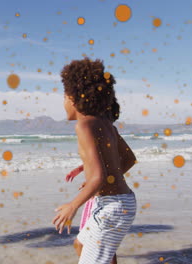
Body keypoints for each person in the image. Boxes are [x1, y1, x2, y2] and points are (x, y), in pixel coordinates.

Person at [52, 58, 137, 264]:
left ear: (73, 97)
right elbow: (128, 159)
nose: (63, 102)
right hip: (122, 202)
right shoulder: (106, 124)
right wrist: (88, 168)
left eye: (64, 96)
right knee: (81, 244)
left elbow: (98, 177)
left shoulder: (83, 126)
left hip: (112, 206)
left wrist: (72, 206)